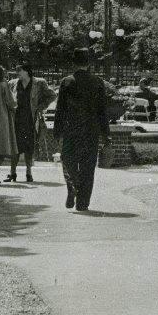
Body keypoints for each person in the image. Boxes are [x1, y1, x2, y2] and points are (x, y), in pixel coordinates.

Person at [54, 47, 110, 211]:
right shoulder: (97, 82)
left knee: (68, 161)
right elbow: (102, 111)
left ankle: (72, 185)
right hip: (91, 130)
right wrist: (106, 134)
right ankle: (82, 202)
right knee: (87, 166)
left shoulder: (67, 82)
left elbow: (60, 109)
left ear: (73, 63)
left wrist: (57, 131)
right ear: (89, 63)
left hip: (71, 129)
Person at [10, 63, 55, 183]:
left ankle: (28, 172)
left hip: (31, 119)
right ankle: (12, 172)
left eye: (19, 70)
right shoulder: (13, 83)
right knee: (15, 146)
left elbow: (52, 95)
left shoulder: (39, 83)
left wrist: (41, 107)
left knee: (29, 146)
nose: (17, 73)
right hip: (17, 119)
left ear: (27, 71)